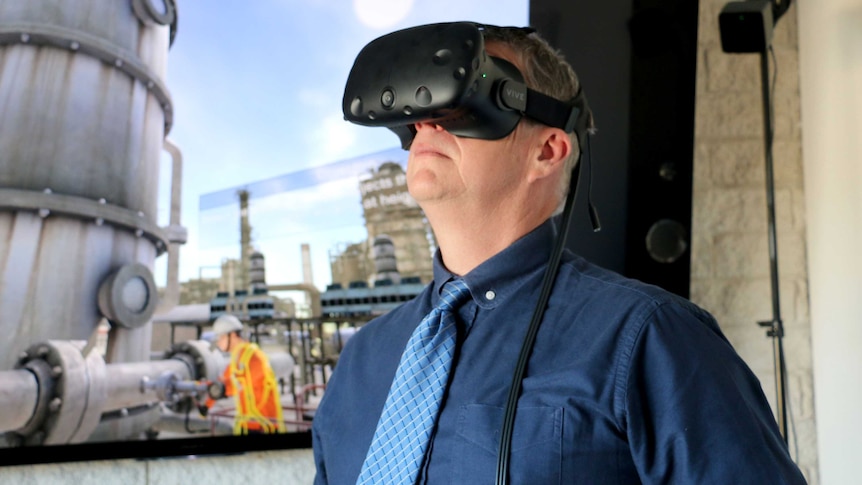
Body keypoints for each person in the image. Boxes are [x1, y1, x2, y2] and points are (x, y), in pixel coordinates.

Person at [312, 23, 806, 484]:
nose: (427, 124)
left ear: (547, 151)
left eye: (462, 106)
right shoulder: (363, 359)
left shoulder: (652, 338)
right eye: (419, 115)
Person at [202, 314, 285, 435]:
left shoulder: (255, 357)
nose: (218, 343)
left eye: (221, 337)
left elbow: (237, 385)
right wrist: (205, 404)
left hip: (264, 426)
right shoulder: (237, 360)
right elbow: (221, 383)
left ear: (233, 335)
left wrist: (218, 389)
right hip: (248, 425)